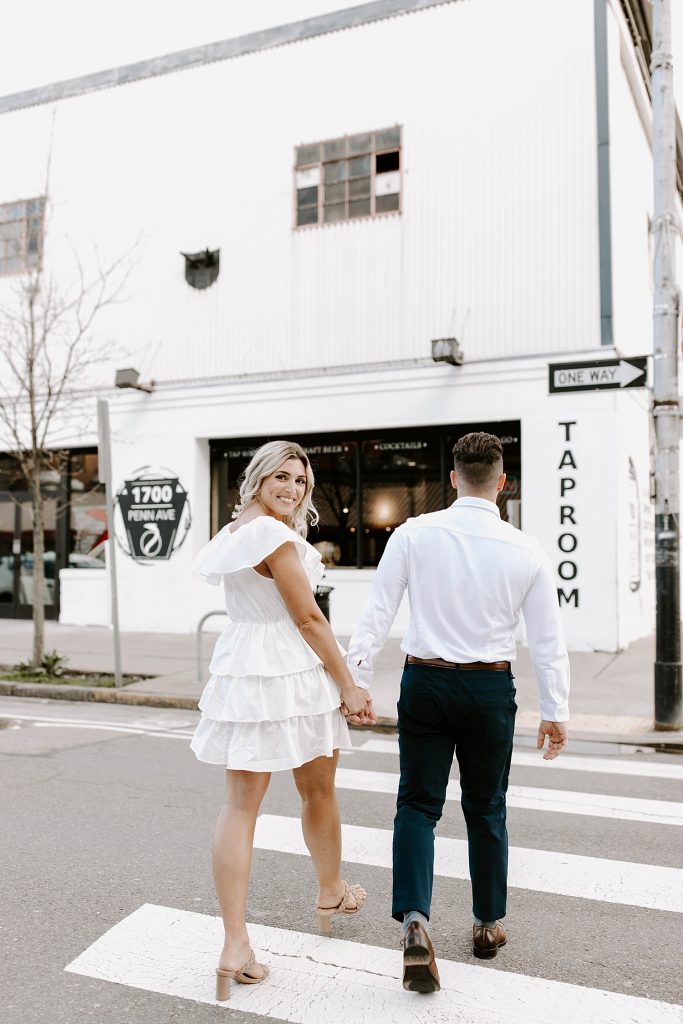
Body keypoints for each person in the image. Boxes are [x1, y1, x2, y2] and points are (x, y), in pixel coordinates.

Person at [347, 431, 570, 993]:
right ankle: (488, 924)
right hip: (490, 690)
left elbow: (377, 613)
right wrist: (555, 709)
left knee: (417, 806)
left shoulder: (414, 534)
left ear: (452, 478)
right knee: (486, 808)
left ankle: (416, 920)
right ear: (501, 481)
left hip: (424, 681)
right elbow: (547, 640)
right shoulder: (527, 550)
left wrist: (356, 680)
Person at [190, 440, 375, 1002]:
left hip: (244, 670)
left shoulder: (235, 532)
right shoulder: (274, 535)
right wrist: (349, 683)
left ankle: (237, 941)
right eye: (282, 477)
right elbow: (310, 618)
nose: (293, 489)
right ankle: (330, 889)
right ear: (258, 478)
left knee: (241, 806)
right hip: (292, 672)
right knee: (317, 790)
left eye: (301, 481)